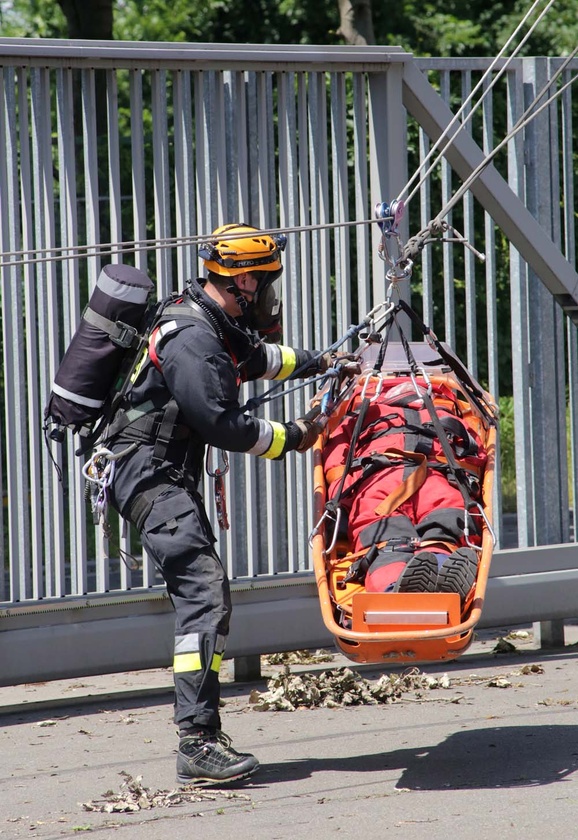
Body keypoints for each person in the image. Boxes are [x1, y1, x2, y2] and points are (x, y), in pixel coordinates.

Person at [106, 224, 330, 786]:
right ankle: (197, 743)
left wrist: (322, 362)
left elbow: (256, 359)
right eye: (265, 285)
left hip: (162, 473)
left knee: (206, 594)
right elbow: (220, 423)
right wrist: (294, 436)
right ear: (245, 279)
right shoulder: (194, 338)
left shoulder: (209, 319)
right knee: (204, 593)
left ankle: (201, 735)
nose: (267, 298)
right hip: (149, 476)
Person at [322, 377, 487, 601]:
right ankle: (441, 568)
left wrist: (343, 502)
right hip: (438, 480)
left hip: (380, 484)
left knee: (386, 545)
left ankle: (393, 588)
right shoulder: (446, 415)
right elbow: (475, 456)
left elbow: (335, 463)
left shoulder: (362, 415)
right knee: (445, 533)